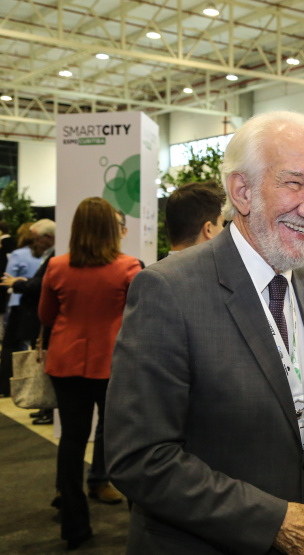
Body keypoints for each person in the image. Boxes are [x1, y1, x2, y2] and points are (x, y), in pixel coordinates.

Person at [105, 111, 304, 555]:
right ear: (241, 191)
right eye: (294, 183)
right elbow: (139, 459)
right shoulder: (169, 290)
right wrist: (274, 521)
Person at [38, 198, 142, 549]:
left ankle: (74, 526)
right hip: (113, 364)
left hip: (66, 363)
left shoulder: (56, 266)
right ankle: (139, 524)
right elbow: (140, 319)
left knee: (71, 441)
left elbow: (46, 315)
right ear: (112, 229)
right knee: (123, 445)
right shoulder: (129, 267)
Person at [1, 219, 56, 427]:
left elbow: (43, 284)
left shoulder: (55, 256)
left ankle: (47, 408)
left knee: (43, 361)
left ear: (48, 237)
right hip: (34, 315)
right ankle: (45, 407)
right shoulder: (48, 255)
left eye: (36, 239)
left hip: (38, 316)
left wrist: (19, 284)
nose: (34, 243)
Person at [0, 221, 41, 398]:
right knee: (37, 348)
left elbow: (7, 280)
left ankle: (7, 387)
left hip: (19, 303)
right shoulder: (47, 256)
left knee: (11, 346)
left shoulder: (18, 254)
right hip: (40, 304)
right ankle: (34, 387)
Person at [164, 180, 227, 253]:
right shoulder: (223, 263)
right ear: (208, 229)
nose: (224, 230)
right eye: (222, 224)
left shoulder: (159, 264)